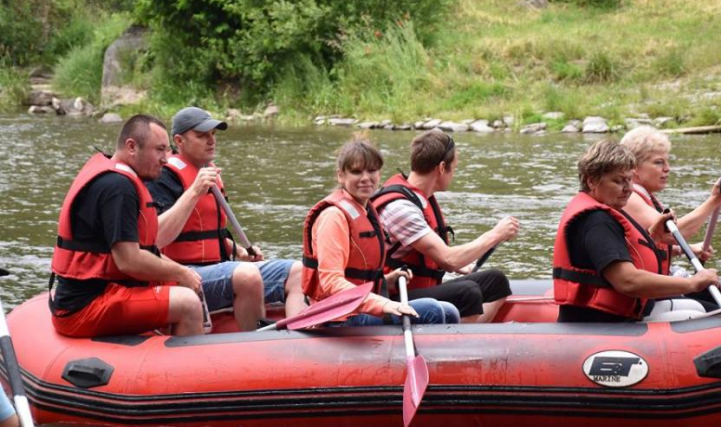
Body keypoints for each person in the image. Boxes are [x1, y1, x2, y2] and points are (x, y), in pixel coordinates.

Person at [147, 107, 306, 330]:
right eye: (202, 136)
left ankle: (298, 340)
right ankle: (255, 346)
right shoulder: (164, 176)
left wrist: (238, 251)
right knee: (247, 276)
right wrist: (194, 192)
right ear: (179, 141)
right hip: (183, 275)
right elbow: (154, 238)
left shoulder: (208, 171)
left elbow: (205, 235)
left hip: (218, 268)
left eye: (213, 134)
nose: (211, 140)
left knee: (298, 271)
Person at [50, 115, 203, 337]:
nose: (165, 159)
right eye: (159, 150)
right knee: (187, 302)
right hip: (84, 307)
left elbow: (145, 252)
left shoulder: (119, 178)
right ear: (131, 147)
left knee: (179, 281)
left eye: (167, 150)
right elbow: (129, 260)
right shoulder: (118, 187)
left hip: (106, 292)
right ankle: (191, 369)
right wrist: (182, 272)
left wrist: (182, 274)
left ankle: (167, 351)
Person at [553, 139, 720, 323]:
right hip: (600, 323)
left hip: (625, 313)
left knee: (707, 310)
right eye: (618, 181)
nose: (628, 189)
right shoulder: (595, 222)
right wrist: (692, 284)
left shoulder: (606, 209)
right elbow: (628, 281)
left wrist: (653, 238)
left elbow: (626, 253)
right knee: (711, 319)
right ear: (591, 181)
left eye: (629, 180)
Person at [302, 134, 459, 326]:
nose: (366, 178)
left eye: (372, 171)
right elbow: (331, 282)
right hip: (337, 317)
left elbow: (358, 275)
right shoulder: (333, 217)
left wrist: (385, 281)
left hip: (360, 308)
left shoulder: (367, 211)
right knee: (431, 310)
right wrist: (382, 303)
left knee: (449, 311)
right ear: (341, 175)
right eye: (356, 172)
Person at [372, 130, 518, 323]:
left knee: (496, 281)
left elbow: (439, 257)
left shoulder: (421, 199)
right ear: (442, 167)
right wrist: (495, 235)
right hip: (393, 297)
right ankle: (460, 345)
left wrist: (459, 263)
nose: (454, 174)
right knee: (468, 292)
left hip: (416, 289)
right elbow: (449, 259)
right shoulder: (401, 209)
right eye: (454, 168)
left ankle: (476, 336)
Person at [621, 126, 721, 271]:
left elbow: (652, 241)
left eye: (667, 162)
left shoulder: (646, 197)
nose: (667, 168)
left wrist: (682, 250)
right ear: (634, 167)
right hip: (643, 290)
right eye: (658, 162)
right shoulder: (628, 198)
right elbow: (673, 235)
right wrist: (714, 200)